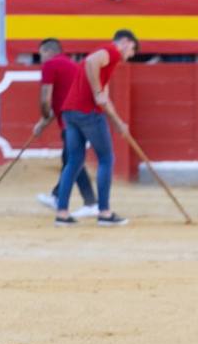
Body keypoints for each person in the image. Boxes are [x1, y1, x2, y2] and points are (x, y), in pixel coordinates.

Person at [54, 30, 139, 227]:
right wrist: (97, 91)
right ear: (125, 42)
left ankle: (62, 213)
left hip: (70, 112)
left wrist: (118, 123)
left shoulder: (106, 65)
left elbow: (105, 99)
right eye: (133, 48)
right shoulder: (112, 51)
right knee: (106, 159)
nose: (131, 54)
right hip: (88, 113)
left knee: (74, 161)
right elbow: (92, 63)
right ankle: (105, 212)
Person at [32, 38, 98, 217]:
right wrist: (43, 123)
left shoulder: (51, 65)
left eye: (41, 55)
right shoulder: (72, 65)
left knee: (73, 160)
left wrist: (43, 120)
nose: (41, 59)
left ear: (47, 51)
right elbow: (61, 103)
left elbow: (46, 100)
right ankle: (58, 196)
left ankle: (91, 203)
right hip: (85, 117)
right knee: (70, 159)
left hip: (73, 121)